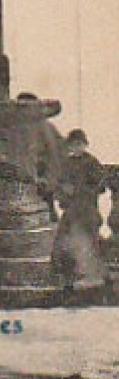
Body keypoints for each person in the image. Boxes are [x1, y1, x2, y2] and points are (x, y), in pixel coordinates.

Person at [53, 129, 111, 303]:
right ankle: (68, 283)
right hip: (71, 212)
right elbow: (58, 185)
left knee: (89, 245)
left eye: (80, 144)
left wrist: (83, 191)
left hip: (87, 212)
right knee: (64, 244)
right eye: (73, 144)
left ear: (85, 145)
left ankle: (96, 287)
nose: (77, 148)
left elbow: (102, 185)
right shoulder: (66, 163)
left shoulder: (92, 162)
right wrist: (63, 192)